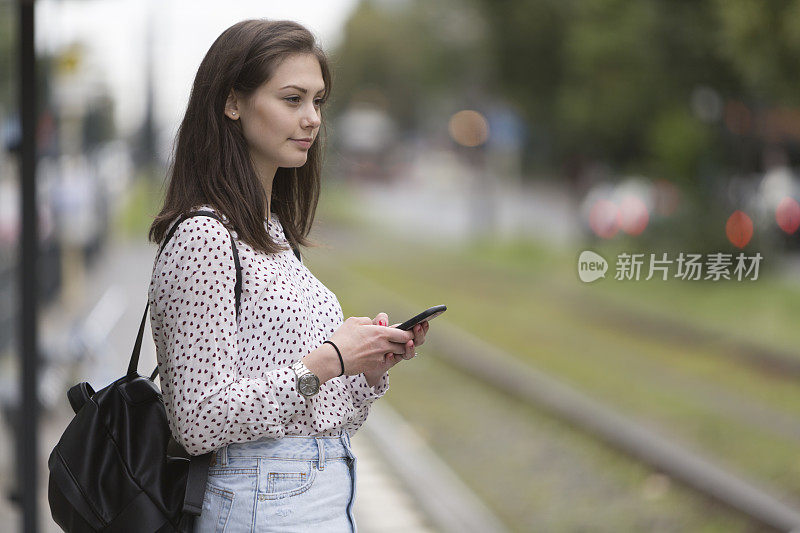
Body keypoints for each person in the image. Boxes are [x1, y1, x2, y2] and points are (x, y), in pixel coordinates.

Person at [146, 19, 428, 532]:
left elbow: (318, 415)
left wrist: (365, 367)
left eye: (318, 102)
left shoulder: (273, 233)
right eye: (293, 99)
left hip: (314, 494)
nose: (312, 119)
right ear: (233, 103)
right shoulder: (204, 237)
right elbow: (196, 420)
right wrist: (328, 360)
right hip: (260, 501)